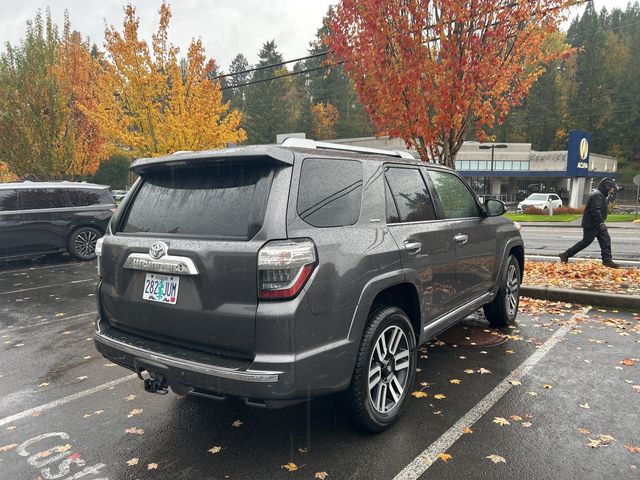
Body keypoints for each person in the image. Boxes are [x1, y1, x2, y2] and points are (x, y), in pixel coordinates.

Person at [559, 177, 620, 268]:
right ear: (606, 187)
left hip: (596, 224)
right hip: (592, 224)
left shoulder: (600, 195)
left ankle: (607, 260)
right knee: (586, 242)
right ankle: (565, 255)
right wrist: (600, 223)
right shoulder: (597, 195)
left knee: (605, 240)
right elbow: (595, 210)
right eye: (611, 188)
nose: (612, 190)